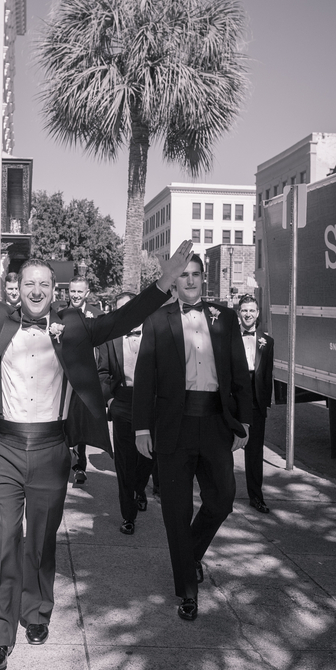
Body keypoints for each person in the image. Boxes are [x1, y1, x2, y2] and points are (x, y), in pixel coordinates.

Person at [0, 219, 193, 670]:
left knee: (42, 541)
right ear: (16, 288)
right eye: (28, 283)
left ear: (55, 289)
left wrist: (164, 281)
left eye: (44, 284)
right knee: (4, 540)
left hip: (51, 449)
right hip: (4, 448)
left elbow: (123, 319)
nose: (36, 290)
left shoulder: (73, 327)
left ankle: (37, 612)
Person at [134, 254, 252, 623]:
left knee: (223, 498)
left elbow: (239, 373)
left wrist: (243, 422)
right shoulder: (156, 320)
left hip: (216, 423)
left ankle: (191, 553)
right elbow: (144, 379)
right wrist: (141, 428)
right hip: (174, 426)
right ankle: (187, 590)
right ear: (173, 281)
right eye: (182, 275)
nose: (189, 281)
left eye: (195, 275)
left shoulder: (224, 317)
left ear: (204, 278)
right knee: (175, 510)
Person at [97, 292, 154, 535]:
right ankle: (128, 514)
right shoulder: (110, 339)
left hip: (151, 404)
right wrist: (110, 400)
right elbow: (101, 373)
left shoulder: (154, 334)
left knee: (148, 456)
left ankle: (139, 488)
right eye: (121, 310)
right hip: (122, 400)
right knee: (124, 461)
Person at [238, 294, 274, 514]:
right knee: (223, 449)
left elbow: (267, 374)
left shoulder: (267, 342)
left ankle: (256, 496)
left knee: (254, 453)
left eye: (252, 310)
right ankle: (219, 495)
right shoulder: (228, 337)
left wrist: (265, 403)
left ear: (258, 313)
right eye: (244, 310)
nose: (248, 314)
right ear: (239, 312)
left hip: (256, 402)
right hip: (234, 400)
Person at [67, 276, 102, 483]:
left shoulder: (97, 316)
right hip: (63, 376)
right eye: (73, 291)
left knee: (80, 422)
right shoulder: (59, 314)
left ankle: (80, 467)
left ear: (87, 293)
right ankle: (62, 460)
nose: (76, 295)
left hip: (87, 377)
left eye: (80, 292)